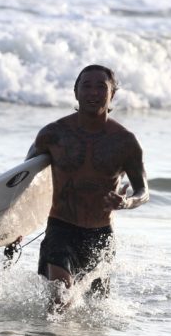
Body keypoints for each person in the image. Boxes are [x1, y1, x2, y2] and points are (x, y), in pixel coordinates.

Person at [14, 64, 149, 313]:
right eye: (86, 86)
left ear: (113, 94)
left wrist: (127, 202)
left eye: (101, 86)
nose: (93, 92)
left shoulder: (125, 142)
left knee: (95, 313)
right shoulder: (53, 135)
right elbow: (25, 182)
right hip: (60, 230)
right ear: (75, 92)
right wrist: (16, 226)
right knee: (59, 300)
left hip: (100, 237)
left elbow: (143, 191)